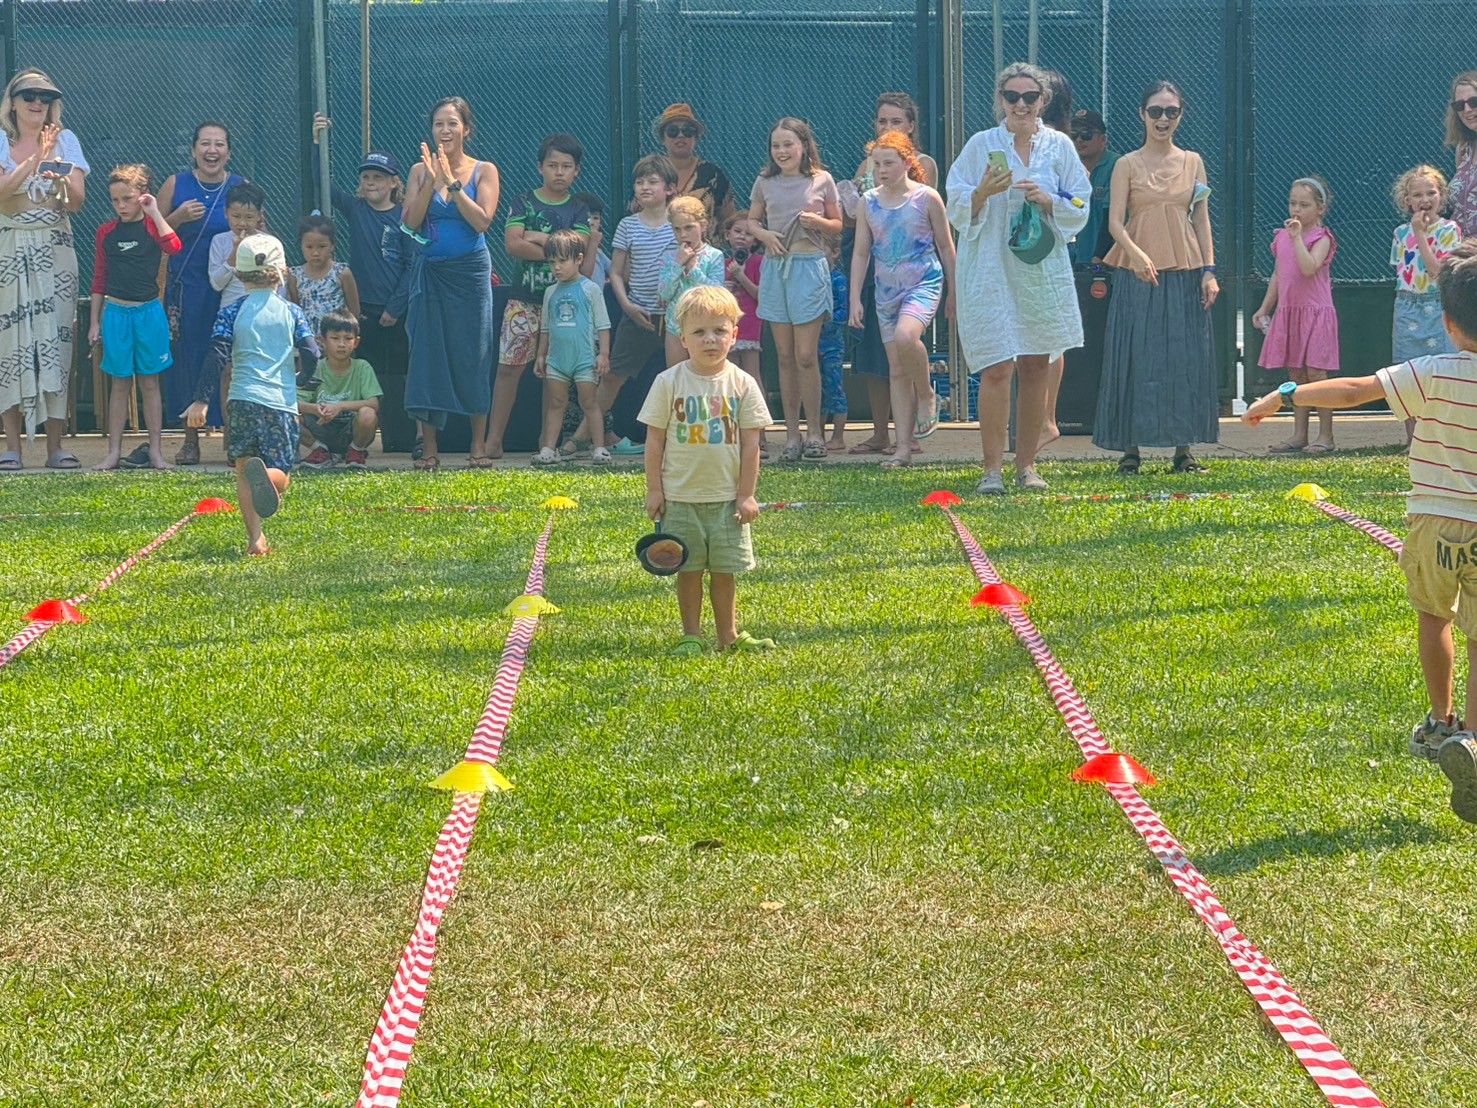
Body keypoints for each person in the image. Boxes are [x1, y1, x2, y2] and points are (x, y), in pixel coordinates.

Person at [1242, 241, 1477, 823]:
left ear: (1448, 323)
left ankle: (1439, 721)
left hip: (1432, 521)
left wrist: (1285, 393)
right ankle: (1470, 739)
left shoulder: (1432, 371)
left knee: (1435, 618)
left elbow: (1354, 390)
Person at [946, 63, 1089, 494]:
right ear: (1001, 100)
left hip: (1039, 270)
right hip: (990, 269)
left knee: (1035, 364)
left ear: (1043, 101)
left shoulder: (1059, 146)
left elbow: (1080, 201)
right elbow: (954, 200)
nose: (1021, 105)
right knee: (996, 366)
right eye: (1012, 96)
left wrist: (1050, 199)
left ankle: (1027, 466)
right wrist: (981, 193)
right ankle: (991, 470)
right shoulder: (981, 144)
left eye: (1030, 97)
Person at [1093, 80, 1219, 477]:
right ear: (1142, 114)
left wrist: (1209, 271)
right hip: (1138, 272)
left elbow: (1201, 218)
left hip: (1185, 269)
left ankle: (1184, 450)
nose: (1163, 119)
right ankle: (1130, 451)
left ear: (1181, 115)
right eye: (1155, 111)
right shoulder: (1126, 164)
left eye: (1171, 111)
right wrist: (1136, 255)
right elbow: (1115, 223)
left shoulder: (1193, 162)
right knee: (1134, 353)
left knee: (1184, 356)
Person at [639, 285, 774, 656]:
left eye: (719, 330)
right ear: (683, 339)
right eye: (699, 332)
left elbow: (751, 445)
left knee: (724, 570)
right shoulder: (668, 382)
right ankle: (692, 635)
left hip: (727, 502)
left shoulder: (743, 384)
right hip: (680, 499)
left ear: (735, 335)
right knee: (688, 569)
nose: (710, 339)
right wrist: (655, 489)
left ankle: (728, 635)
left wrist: (746, 494)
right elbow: (654, 441)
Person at [183, 234, 319, 557]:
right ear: (282, 272)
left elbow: (216, 354)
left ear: (240, 275)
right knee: (282, 473)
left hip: (241, 400)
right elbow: (312, 352)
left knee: (244, 469)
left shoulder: (232, 312)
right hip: (280, 404)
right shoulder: (291, 312)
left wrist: (201, 400)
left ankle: (255, 540)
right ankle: (271, 478)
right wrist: (302, 379)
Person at [399, 96, 500, 471]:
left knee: (474, 354)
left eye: (452, 123)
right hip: (430, 273)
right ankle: (429, 450)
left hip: (470, 274)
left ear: (466, 130)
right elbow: (410, 223)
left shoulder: (484, 170)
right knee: (427, 357)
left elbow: (482, 222)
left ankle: (478, 447)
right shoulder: (418, 171)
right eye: (439, 124)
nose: (445, 130)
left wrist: (453, 184)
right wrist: (431, 180)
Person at [482, 133, 592, 461]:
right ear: (540, 167)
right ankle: (493, 440)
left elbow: (579, 252)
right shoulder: (523, 202)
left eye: (566, 166)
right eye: (552, 165)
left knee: (555, 376)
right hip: (523, 301)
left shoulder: (579, 209)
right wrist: (559, 249)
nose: (559, 172)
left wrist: (538, 238)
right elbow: (513, 244)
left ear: (576, 171)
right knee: (508, 369)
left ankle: (548, 441)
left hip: (564, 304)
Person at [0, 70, 89, 472]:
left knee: (57, 340)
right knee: (10, 342)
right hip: (10, 247)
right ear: (13, 102)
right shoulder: (2, 140)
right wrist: (37, 159)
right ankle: (12, 447)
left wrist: (60, 181)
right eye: (28, 95)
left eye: (45, 96)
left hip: (55, 248)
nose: (37, 102)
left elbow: (75, 202)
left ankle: (56, 446)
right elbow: (2, 195)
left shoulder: (67, 140)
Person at [851, 131, 956, 470]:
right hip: (886, 290)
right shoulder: (868, 202)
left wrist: (954, 292)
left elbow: (946, 247)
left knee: (906, 337)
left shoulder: (926, 198)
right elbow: (862, 252)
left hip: (923, 282)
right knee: (896, 369)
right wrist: (855, 298)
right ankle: (903, 448)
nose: (881, 170)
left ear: (908, 162)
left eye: (888, 163)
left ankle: (926, 393)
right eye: (876, 164)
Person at [845, 92, 939, 457]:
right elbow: (858, 220)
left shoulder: (922, 167)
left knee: (906, 342)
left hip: (918, 277)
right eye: (882, 121)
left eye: (895, 121)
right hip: (879, 276)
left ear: (911, 126)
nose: (887, 127)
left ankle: (917, 419)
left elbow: (924, 217)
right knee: (880, 359)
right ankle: (887, 436)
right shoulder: (869, 164)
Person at [312, 115, 411, 446]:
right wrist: (317, 143)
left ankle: (398, 440)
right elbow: (323, 183)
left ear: (394, 183)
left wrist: (395, 307)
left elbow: (411, 266)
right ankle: (352, 440)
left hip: (395, 310)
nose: (371, 182)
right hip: (361, 311)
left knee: (397, 374)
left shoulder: (404, 217)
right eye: (366, 177)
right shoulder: (357, 210)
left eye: (378, 177)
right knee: (364, 372)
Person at [749, 116, 843, 463]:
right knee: (784, 357)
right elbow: (752, 221)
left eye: (788, 144)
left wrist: (818, 222)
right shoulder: (765, 181)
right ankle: (791, 435)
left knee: (806, 355)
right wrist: (764, 235)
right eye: (776, 145)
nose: (782, 151)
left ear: (803, 145)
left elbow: (837, 224)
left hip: (809, 269)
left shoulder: (822, 179)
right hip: (776, 270)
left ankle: (815, 432)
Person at [159, 120, 243, 465]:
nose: (212, 150)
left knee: (230, 361)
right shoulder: (176, 184)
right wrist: (178, 217)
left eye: (219, 144)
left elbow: (259, 231)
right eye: (205, 143)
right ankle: (190, 440)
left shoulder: (240, 187)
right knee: (189, 360)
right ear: (194, 150)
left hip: (231, 290)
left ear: (228, 152)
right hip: (188, 289)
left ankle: (234, 441)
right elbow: (152, 231)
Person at [581, 154, 677, 456]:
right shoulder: (627, 226)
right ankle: (582, 436)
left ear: (670, 188)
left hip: (675, 317)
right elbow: (616, 272)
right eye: (639, 182)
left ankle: (682, 441)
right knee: (612, 376)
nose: (644, 187)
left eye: (652, 181)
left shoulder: (680, 223)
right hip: (637, 314)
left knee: (681, 377)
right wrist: (627, 306)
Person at [88, 164, 182, 472]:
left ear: (142, 196)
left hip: (149, 313)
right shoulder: (106, 232)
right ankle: (113, 452)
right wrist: (95, 321)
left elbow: (174, 246)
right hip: (116, 313)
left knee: (150, 384)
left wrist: (154, 212)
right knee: (119, 385)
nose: (121, 206)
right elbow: (99, 278)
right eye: (115, 200)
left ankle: (156, 452)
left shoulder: (154, 227)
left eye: (127, 199)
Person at [1252, 176, 1340, 454]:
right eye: (1293, 203)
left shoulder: (1322, 238)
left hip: (1316, 314)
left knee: (1317, 373)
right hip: (1290, 313)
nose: (1296, 210)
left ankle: (1326, 436)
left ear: (1320, 208)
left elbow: (1309, 267)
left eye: (1304, 205)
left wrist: (1297, 239)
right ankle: (1299, 434)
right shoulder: (1282, 237)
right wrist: (1265, 308)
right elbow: (1279, 275)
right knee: (1297, 373)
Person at [532, 230, 611, 466]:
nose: (556, 267)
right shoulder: (550, 292)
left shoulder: (590, 289)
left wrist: (603, 354)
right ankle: (548, 449)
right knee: (556, 404)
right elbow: (546, 327)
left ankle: (599, 448)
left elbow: (603, 325)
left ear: (579, 259)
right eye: (552, 262)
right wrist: (541, 355)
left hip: (584, 359)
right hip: (557, 360)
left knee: (590, 403)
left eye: (562, 261)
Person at [1390, 166, 1462, 365]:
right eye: (1417, 195)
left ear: (1441, 195)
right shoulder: (1400, 233)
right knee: (1407, 367)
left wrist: (1419, 234)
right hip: (1407, 307)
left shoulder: (1449, 230)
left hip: (1438, 306)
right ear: (1407, 200)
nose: (1425, 200)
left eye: (1431, 193)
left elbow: (1436, 272)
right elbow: (1403, 274)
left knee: (1442, 365)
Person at [298, 310, 381, 470]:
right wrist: (315, 409)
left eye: (348, 338)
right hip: (321, 427)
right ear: (322, 341)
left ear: (356, 342)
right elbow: (295, 403)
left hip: (351, 430)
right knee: (289, 416)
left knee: (368, 413)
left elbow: (374, 403)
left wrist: (340, 406)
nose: (341, 344)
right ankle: (320, 451)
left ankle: (356, 451)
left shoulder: (362, 367)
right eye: (335, 338)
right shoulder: (315, 369)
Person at [658, 195, 726, 367]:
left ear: (703, 226)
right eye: (677, 229)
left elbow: (717, 293)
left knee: (706, 373)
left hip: (706, 326)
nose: (683, 234)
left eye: (689, 227)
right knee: (676, 375)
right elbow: (664, 293)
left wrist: (692, 269)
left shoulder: (715, 256)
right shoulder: (669, 257)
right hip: (675, 326)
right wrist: (678, 265)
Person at [722, 209, 767, 456]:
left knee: (752, 377)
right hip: (727, 327)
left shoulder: (758, 263)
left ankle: (760, 434)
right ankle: (733, 433)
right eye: (737, 231)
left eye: (748, 233)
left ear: (756, 240)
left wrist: (741, 277)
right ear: (727, 235)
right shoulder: (721, 263)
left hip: (750, 325)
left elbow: (761, 294)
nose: (742, 237)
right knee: (729, 378)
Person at [651, 103, 736, 234]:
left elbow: (729, 220)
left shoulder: (712, 174)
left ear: (695, 138)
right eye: (673, 131)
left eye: (688, 131)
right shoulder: (651, 173)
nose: (680, 136)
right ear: (663, 138)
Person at [288, 214, 359, 337]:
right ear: (301, 246)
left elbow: (354, 311)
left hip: (336, 340)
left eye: (321, 246)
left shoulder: (342, 273)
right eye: (309, 247)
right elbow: (296, 312)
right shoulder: (295, 276)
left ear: (332, 245)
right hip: (308, 341)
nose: (315, 253)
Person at [209, 182, 270, 311]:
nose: (242, 223)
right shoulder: (219, 241)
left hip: (261, 310)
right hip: (231, 311)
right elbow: (216, 284)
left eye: (249, 217)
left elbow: (279, 282)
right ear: (226, 213)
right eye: (236, 216)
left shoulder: (268, 242)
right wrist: (236, 251)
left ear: (259, 216)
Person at [819, 238, 849, 451]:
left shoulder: (838, 280)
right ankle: (818, 434)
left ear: (835, 252)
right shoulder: (813, 280)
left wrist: (824, 321)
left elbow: (844, 312)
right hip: (813, 344)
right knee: (817, 390)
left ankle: (838, 437)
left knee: (835, 388)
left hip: (832, 345)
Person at [1448, 72, 1477, 239]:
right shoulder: (1463, 148)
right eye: (1460, 105)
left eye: (1474, 102)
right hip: (1458, 247)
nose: (1467, 109)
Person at [572, 191, 613, 288]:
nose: (591, 222)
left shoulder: (599, 253)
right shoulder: (569, 249)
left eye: (595, 218)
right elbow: (585, 276)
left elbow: (616, 272)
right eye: (586, 217)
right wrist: (593, 243)